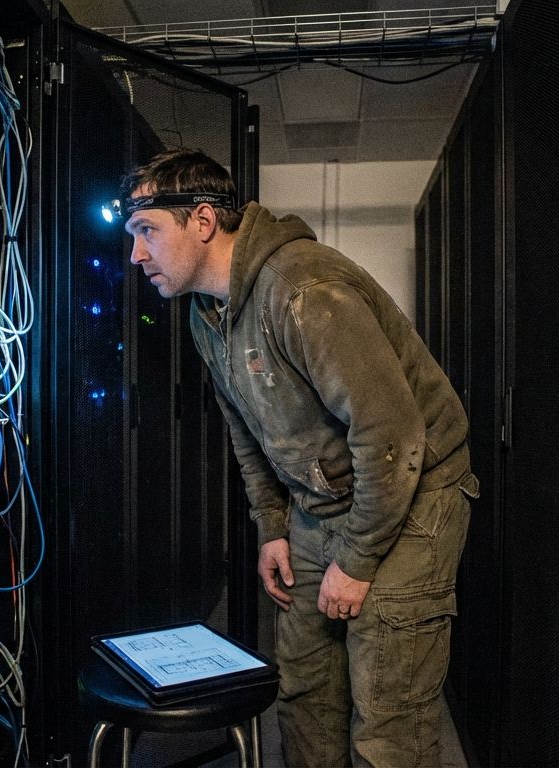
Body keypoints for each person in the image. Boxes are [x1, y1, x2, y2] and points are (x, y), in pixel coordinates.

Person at [118, 148, 478, 767]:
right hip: (325, 500)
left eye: (146, 230)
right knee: (306, 688)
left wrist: (359, 560)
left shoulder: (303, 289)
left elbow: (391, 435)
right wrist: (274, 528)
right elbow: (247, 433)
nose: (136, 255)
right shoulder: (209, 315)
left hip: (413, 490)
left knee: (387, 714)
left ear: (203, 221)